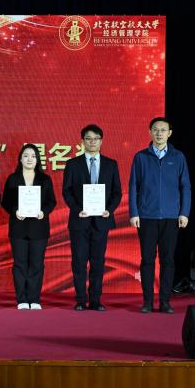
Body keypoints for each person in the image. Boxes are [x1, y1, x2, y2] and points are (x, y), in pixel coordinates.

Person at [129, 117, 191, 314]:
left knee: (168, 260)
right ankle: (147, 301)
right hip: (146, 216)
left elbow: (185, 186)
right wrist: (134, 213)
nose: (159, 133)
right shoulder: (141, 157)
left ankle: (165, 301)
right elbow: (133, 186)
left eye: (163, 130)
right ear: (150, 132)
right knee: (147, 259)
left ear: (169, 133)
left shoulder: (178, 157)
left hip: (172, 217)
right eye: (155, 129)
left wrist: (184, 212)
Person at [62, 124, 122, 311]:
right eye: (88, 138)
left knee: (98, 262)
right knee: (79, 262)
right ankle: (80, 300)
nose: (92, 142)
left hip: (101, 221)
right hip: (79, 221)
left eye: (96, 139)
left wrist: (109, 210)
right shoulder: (73, 164)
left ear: (101, 141)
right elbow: (67, 191)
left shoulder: (111, 164)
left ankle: (95, 300)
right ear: (82, 141)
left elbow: (117, 192)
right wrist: (77, 209)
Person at [1, 144, 56, 310]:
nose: (29, 159)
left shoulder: (45, 179)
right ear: (20, 159)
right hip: (18, 228)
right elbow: (6, 202)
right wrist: (15, 211)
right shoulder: (13, 179)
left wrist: (43, 212)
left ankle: (34, 299)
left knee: (37, 264)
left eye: (33, 156)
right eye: (26, 156)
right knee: (19, 264)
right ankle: (22, 299)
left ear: (37, 159)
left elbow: (51, 202)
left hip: (39, 228)